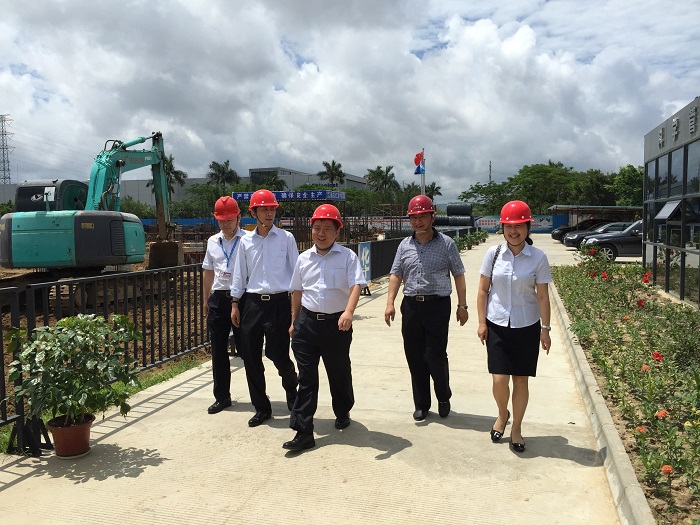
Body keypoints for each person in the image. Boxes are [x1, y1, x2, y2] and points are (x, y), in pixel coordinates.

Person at [282, 204, 366, 451]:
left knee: (338, 372)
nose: (321, 233)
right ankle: (303, 431)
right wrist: (294, 321)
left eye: (327, 228)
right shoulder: (303, 259)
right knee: (307, 378)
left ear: (337, 232)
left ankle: (342, 409)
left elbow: (356, 285)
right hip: (307, 324)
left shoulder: (348, 257)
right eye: (317, 228)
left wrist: (349, 312)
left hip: (336, 326)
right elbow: (297, 291)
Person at [476, 200, 552, 453]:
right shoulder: (493, 254)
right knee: (499, 379)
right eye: (508, 226)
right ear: (502, 228)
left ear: (528, 226)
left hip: (527, 325)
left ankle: (516, 427)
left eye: (519, 225)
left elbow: (543, 296)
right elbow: (483, 290)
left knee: (520, 379)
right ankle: (502, 414)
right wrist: (481, 322)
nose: (513, 231)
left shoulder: (538, 258)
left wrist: (545, 329)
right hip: (497, 323)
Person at [384, 195, 468, 421]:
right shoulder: (404, 245)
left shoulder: (447, 244)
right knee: (414, 356)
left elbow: (459, 275)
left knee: (434, 355)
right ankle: (421, 403)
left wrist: (462, 305)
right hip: (411, 306)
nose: (418, 221)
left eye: (422, 216)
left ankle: (443, 396)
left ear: (432, 217)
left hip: (437, 306)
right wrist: (390, 302)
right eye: (414, 217)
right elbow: (396, 274)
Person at [230, 189, 299, 427]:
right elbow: (239, 274)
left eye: (272, 209)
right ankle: (261, 407)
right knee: (250, 357)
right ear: (254, 212)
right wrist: (235, 303)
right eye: (264, 209)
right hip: (252, 303)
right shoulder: (245, 241)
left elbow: (296, 274)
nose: (269, 213)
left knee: (277, 354)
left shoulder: (286, 238)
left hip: (279, 302)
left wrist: (296, 311)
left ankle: (291, 386)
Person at [202, 196, 247, 414]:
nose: (226, 224)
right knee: (218, 350)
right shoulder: (212, 241)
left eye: (229, 219)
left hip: (243, 298)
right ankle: (222, 397)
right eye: (221, 220)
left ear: (238, 217)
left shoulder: (248, 240)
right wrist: (205, 299)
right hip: (219, 298)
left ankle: (259, 395)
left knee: (248, 350)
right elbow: (208, 271)